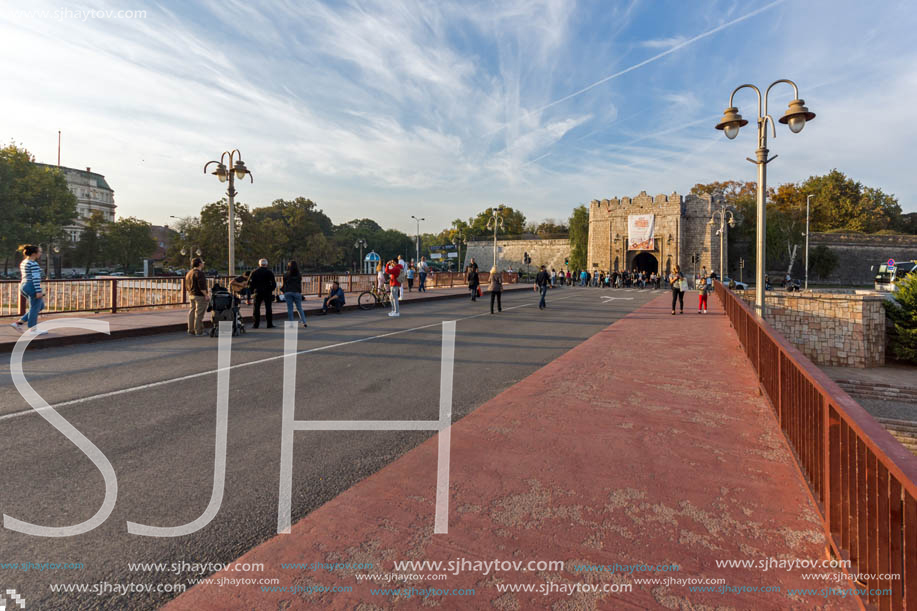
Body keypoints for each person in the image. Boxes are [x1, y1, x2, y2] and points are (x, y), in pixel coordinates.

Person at [11, 244, 47, 335]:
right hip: (31, 285)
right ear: (34, 254)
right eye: (39, 252)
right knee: (35, 307)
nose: (40, 253)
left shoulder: (24, 262)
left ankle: (18, 323)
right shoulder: (33, 264)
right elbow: (35, 278)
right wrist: (38, 291)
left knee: (40, 306)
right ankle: (33, 329)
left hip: (24, 285)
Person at [184, 257, 209, 336]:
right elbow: (201, 286)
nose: (203, 263)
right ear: (199, 264)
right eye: (202, 262)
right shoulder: (200, 273)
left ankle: (191, 330)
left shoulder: (189, 273)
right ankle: (199, 331)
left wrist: (190, 292)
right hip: (199, 296)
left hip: (191, 295)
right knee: (199, 314)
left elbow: (186, 286)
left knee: (192, 312)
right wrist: (206, 295)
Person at [249, 258, 277, 328]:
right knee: (268, 308)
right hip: (267, 292)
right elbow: (274, 284)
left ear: (259, 264)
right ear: (266, 264)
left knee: (256, 308)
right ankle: (269, 324)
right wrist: (270, 289)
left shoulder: (254, 272)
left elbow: (250, 284)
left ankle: (256, 324)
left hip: (257, 292)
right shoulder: (269, 272)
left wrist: (252, 291)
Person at [282, 260, 307, 327]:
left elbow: (284, 284)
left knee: (290, 308)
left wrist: (284, 291)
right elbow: (299, 283)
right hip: (296, 292)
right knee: (299, 308)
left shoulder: (285, 274)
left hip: (288, 292)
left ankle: (291, 324)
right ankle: (304, 322)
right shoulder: (299, 275)